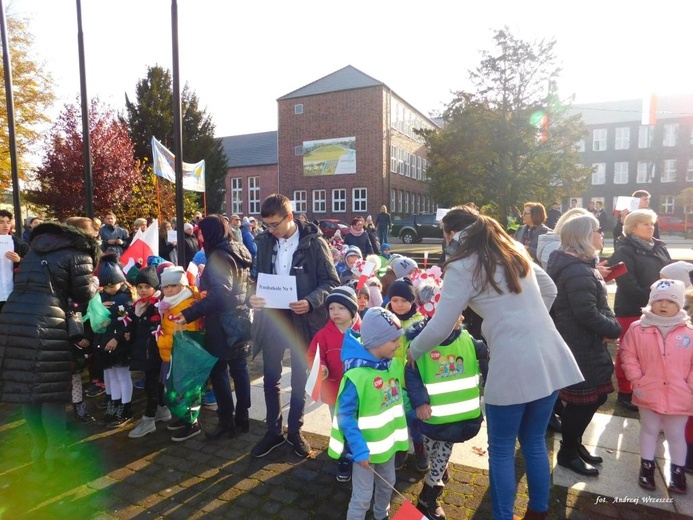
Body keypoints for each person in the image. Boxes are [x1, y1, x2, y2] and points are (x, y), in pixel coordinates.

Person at [407, 205, 583, 520]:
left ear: (451, 233)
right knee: (533, 441)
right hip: (550, 355)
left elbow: (441, 325)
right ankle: (537, 512)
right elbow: (549, 289)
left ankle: (503, 515)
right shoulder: (511, 246)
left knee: (501, 449)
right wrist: (526, 317)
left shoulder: (463, 263)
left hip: (513, 362)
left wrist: (413, 350)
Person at [0, 219, 100, 474]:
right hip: (46, 323)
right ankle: (57, 453)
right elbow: (82, 294)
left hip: (15, 320)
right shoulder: (79, 253)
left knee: (29, 390)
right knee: (52, 392)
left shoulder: (38, 248)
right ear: (87, 235)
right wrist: (95, 283)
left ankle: (39, 449)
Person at [249, 194, 339, 458]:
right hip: (273, 318)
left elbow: (331, 282)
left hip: (303, 319)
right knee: (270, 376)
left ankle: (295, 431)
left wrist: (310, 302)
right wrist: (252, 296)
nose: (270, 230)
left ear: (290, 217)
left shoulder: (314, 243)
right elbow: (255, 278)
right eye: (267, 226)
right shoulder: (264, 241)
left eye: (275, 225)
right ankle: (273, 431)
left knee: (300, 376)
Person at [546, 213, 621, 477]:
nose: (602, 234)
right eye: (598, 230)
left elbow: (598, 307)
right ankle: (567, 453)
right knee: (584, 401)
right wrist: (613, 328)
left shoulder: (581, 265)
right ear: (584, 236)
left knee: (595, 397)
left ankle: (574, 445)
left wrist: (609, 323)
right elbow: (587, 312)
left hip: (583, 342)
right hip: (580, 345)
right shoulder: (577, 269)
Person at [175, 214, 254, 439]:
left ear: (210, 233)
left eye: (201, 231)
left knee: (219, 371)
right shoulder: (237, 250)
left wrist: (189, 313)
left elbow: (221, 292)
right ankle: (242, 418)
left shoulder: (219, 254)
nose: (198, 235)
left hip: (221, 322)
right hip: (239, 318)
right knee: (240, 369)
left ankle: (226, 421)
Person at [328, 307, 410, 520]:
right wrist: (359, 449)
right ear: (376, 342)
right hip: (364, 450)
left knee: (388, 483)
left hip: (387, 445)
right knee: (362, 496)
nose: (398, 344)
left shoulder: (392, 365)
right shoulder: (357, 376)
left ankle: (381, 515)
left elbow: (399, 395)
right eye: (393, 340)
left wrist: (414, 408)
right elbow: (345, 416)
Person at [405, 315, 483, 520]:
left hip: (459, 418)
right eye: (453, 312)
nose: (462, 317)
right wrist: (420, 403)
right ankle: (433, 471)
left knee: (442, 455)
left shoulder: (467, 339)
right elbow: (412, 375)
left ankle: (428, 497)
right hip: (433, 417)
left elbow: (486, 352)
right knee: (429, 449)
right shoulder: (421, 343)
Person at [621, 279, 692, 494]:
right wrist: (637, 378)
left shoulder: (689, 332)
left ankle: (677, 471)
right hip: (648, 389)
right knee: (649, 430)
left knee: (675, 434)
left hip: (681, 394)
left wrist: (690, 386)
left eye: (670, 301)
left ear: (680, 304)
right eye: (658, 300)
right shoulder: (638, 328)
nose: (663, 305)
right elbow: (628, 354)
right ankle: (647, 465)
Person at [609, 209, 671, 411]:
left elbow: (669, 274)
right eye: (645, 223)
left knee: (655, 352)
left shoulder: (660, 247)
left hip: (661, 309)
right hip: (632, 309)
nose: (650, 227)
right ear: (633, 227)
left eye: (652, 223)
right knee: (629, 351)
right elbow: (627, 283)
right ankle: (625, 391)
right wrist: (655, 297)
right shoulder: (624, 250)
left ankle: (647, 388)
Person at [306, 286, 362, 482]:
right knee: (340, 425)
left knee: (360, 423)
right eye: (332, 308)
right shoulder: (324, 334)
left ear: (352, 310)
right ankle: (344, 457)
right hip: (335, 392)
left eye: (341, 308)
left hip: (361, 392)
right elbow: (312, 354)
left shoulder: (364, 331)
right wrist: (321, 366)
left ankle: (361, 453)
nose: (335, 312)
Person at [156, 266, 203, 441]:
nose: (168, 290)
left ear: (182, 286)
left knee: (186, 390)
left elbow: (184, 336)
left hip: (182, 356)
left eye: (173, 286)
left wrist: (160, 341)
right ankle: (184, 418)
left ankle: (193, 423)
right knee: (175, 389)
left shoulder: (185, 305)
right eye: (165, 287)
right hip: (170, 355)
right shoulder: (170, 302)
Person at [386, 278, 427, 471]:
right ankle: (401, 450)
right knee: (397, 421)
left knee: (415, 421)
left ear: (412, 301)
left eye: (404, 300)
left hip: (413, 383)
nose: (399, 305)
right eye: (395, 300)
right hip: (390, 382)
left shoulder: (419, 322)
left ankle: (420, 448)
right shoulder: (384, 319)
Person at [126, 266, 172, 438]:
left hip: (154, 353)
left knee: (151, 385)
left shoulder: (159, 306)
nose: (143, 290)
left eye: (147, 286)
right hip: (144, 352)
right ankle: (162, 409)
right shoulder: (138, 306)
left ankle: (149, 418)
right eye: (140, 287)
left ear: (155, 287)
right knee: (153, 383)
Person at [92, 254, 135, 429]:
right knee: (110, 374)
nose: (110, 289)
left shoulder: (125, 298)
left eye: (113, 285)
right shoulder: (101, 297)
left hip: (118, 343)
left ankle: (125, 407)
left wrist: (116, 338)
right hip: (102, 340)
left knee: (122, 375)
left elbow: (126, 321)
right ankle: (114, 402)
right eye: (106, 286)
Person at [0, 209, 29, 313]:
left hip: (13, 290)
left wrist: (19, 260)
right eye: (1, 222)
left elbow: (32, 262)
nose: (5, 225)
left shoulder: (19, 243)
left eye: (8, 222)